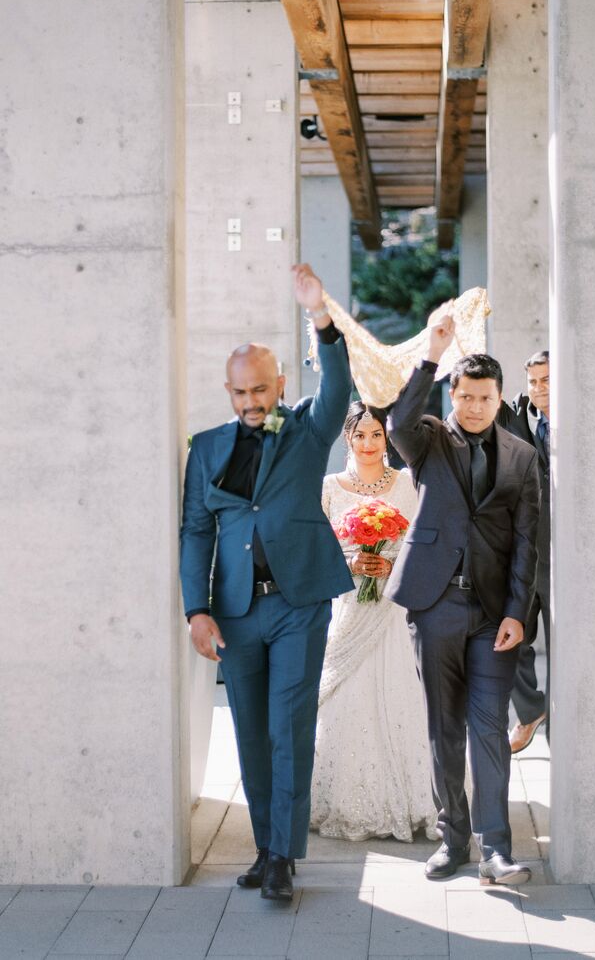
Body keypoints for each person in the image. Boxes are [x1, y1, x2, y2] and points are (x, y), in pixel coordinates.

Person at [179, 264, 353, 902]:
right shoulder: (206, 448)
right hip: (234, 614)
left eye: (260, 391)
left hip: (298, 604)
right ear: (228, 392)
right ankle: (264, 846)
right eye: (239, 394)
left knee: (288, 727)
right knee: (250, 732)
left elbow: (338, 388)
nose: (250, 404)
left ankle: (282, 854)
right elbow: (196, 532)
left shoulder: (305, 430)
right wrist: (196, 610)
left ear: (279, 384)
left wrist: (321, 318)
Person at [385, 312, 540, 886]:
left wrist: (518, 614)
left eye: (485, 397)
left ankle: (495, 849)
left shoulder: (522, 458)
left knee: (489, 729)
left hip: (493, 617)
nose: (475, 406)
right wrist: (432, 352)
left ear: (500, 398)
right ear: (453, 394)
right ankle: (453, 839)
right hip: (435, 605)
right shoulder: (426, 439)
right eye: (466, 395)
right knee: (444, 727)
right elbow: (397, 418)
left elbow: (528, 542)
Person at [310, 402, 437, 843]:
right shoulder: (330, 487)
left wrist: (391, 564)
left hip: (391, 607)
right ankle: (342, 799)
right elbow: (319, 547)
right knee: (345, 695)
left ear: (387, 439)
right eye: (359, 435)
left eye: (376, 435)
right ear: (347, 438)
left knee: (398, 690)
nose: (368, 444)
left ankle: (412, 798)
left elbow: (421, 543)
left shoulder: (406, 485)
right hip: (349, 603)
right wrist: (353, 562)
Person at [498, 351, 551, 753]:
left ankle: (561, 734)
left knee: (568, 647)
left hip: (569, 556)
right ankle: (531, 709)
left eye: (547, 380)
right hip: (528, 548)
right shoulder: (517, 414)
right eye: (533, 381)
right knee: (512, 636)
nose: (539, 389)